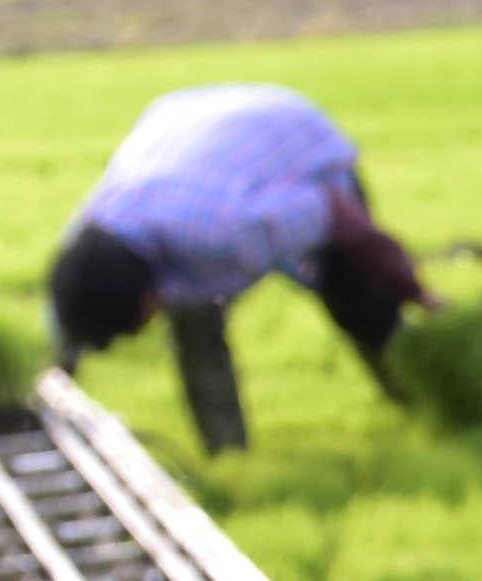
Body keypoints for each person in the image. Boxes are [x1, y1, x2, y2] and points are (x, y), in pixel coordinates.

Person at [44, 84, 425, 455]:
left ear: (145, 299)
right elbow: (75, 317)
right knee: (196, 322)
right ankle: (230, 457)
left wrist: (410, 287)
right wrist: (46, 393)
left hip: (286, 134)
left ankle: (423, 403)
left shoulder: (228, 233)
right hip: (188, 129)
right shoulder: (88, 242)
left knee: (359, 299)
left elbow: (335, 211)